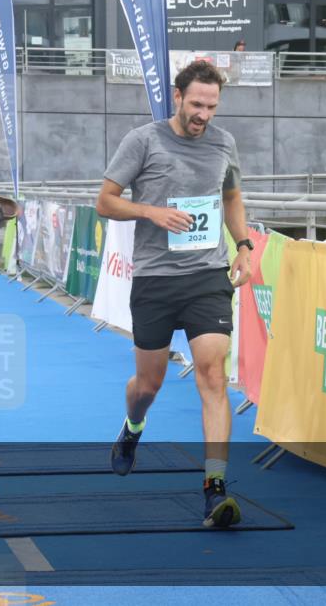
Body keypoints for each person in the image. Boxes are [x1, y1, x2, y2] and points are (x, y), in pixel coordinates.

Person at [96, 60, 252, 528]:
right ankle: (133, 427)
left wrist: (242, 245)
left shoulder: (224, 143)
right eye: (197, 104)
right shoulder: (143, 141)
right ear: (178, 97)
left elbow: (231, 198)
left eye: (212, 106)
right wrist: (151, 212)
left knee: (212, 374)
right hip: (156, 279)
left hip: (207, 275)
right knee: (148, 386)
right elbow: (105, 200)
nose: (204, 114)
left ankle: (215, 488)